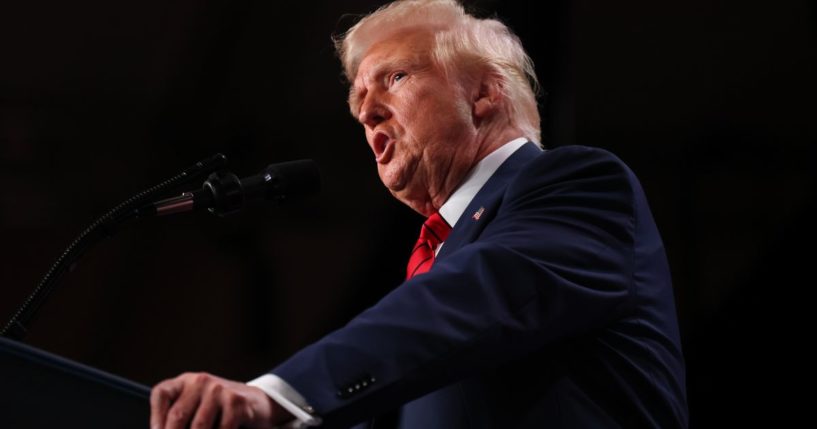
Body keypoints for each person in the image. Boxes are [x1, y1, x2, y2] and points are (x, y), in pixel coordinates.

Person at [150, 0, 689, 428]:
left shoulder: (578, 185)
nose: (367, 111)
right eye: (359, 104)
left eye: (396, 78)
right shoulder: (435, 263)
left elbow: (477, 295)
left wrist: (278, 396)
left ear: (482, 94)